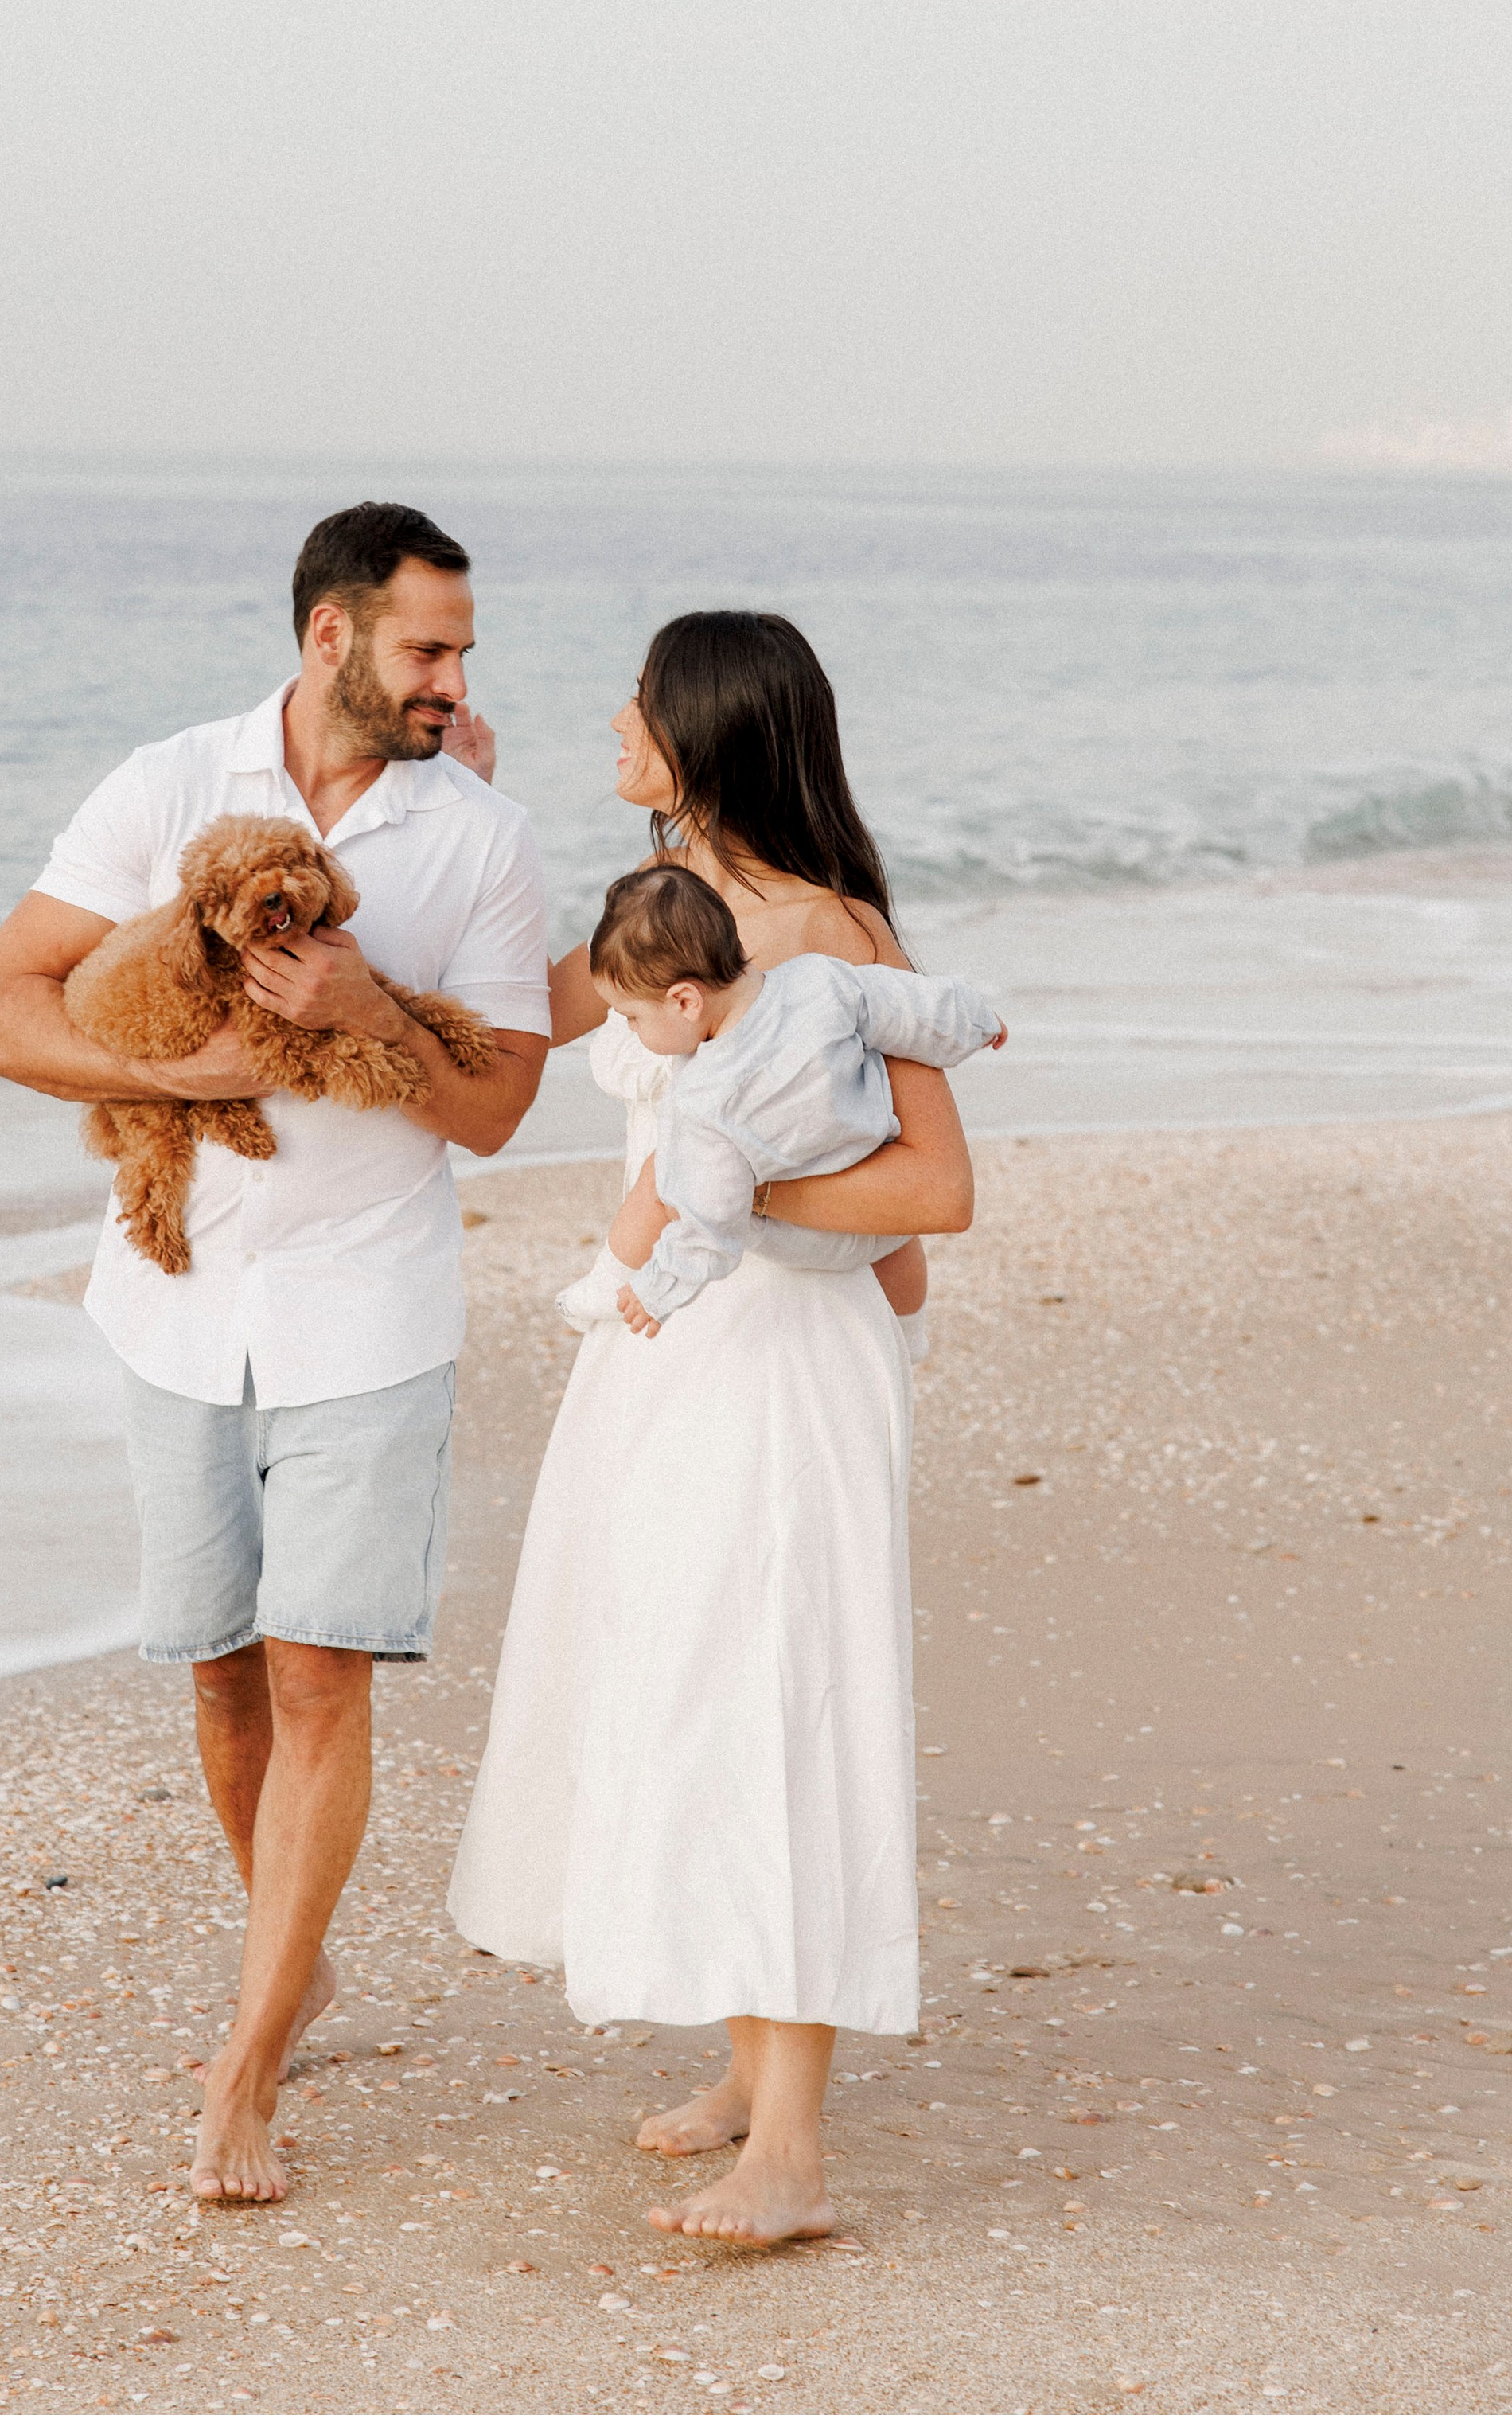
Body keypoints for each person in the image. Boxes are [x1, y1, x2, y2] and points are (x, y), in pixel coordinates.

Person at [0, 502, 550, 2205]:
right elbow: (8, 1010)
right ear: (329, 639)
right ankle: (288, 1969)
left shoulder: (482, 840)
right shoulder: (166, 786)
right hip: (173, 1304)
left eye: (463, 652)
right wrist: (189, 1082)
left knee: (317, 1671)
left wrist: (368, 1018)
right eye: (426, 649)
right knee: (222, 1670)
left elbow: (504, 1105)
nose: (453, 679)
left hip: (369, 1303)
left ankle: (244, 2063)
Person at [448, 608, 979, 2247]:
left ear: (703, 735)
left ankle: (795, 2151)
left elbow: (935, 1189)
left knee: (769, 1699)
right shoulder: (663, 923)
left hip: (778, 1365)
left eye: (636, 700)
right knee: (676, 1681)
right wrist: (465, 812)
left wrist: (727, 1195)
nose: (608, 718)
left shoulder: (828, 937)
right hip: (663, 1362)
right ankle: (752, 2073)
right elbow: (514, 1021)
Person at [555, 864, 1002, 1336]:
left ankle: (605, 1285)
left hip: (802, 1241)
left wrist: (657, 1292)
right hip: (877, 1214)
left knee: (661, 1184)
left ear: (686, 1001)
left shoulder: (702, 1097)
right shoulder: (819, 980)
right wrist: (978, 1022)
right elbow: (910, 1008)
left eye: (632, 1017)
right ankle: (910, 1332)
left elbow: (709, 1227)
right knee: (899, 1247)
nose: (630, 1028)